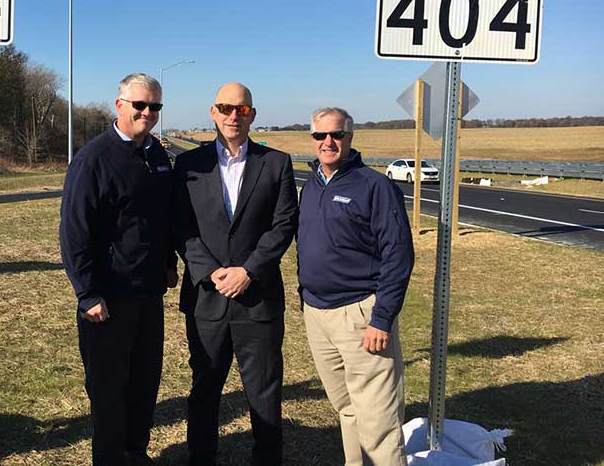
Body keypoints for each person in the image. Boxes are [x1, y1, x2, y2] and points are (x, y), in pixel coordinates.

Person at [173, 82, 298, 466]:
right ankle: (201, 458)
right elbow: (180, 227)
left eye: (242, 110)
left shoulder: (276, 162)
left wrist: (248, 270)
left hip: (257, 300)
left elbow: (284, 224)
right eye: (226, 108)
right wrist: (211, 272)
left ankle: (266, 458)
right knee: (205, 388)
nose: (233, 116)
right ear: (213, 112)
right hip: (206, 301)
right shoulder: (189, 165)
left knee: (263, 390)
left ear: (253, 115)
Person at [59, 73, 177, 466]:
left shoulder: (157, 155)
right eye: (139, 105)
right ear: (119, 105)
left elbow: (161, 220)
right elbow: (75, 231)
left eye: (154, 106)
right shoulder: (93, 159)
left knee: (145, 384)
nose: (147, 112)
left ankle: (135, 454)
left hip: (148, 294)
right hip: (108, 299)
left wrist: (167, 265)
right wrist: (88, 293)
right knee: (109, 391)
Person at [297, 107, 414, 466]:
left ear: (350, 138)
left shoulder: (374, 185)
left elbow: (398, 254)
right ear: (313, 139)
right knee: (347, 408)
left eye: (336, 135)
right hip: (317, 314)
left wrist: (381, 318)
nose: (328, 142)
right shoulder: (312, 183)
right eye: (320, 136)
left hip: (360, 315)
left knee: (377, 419)